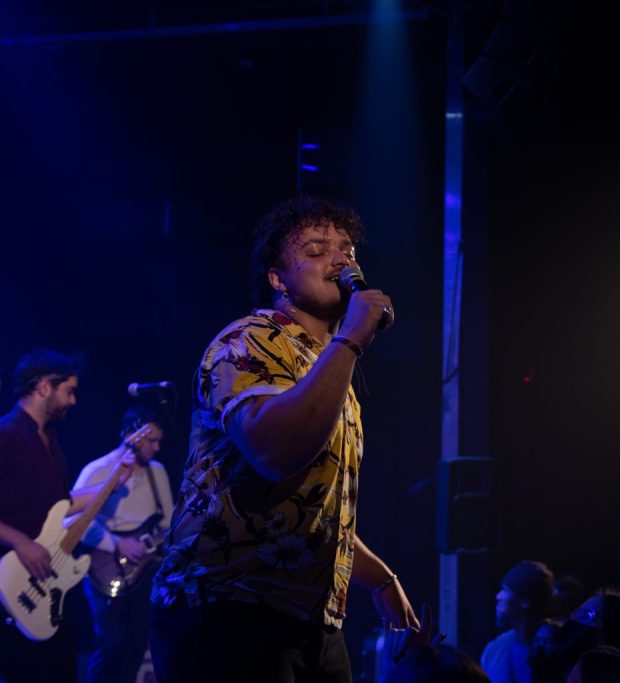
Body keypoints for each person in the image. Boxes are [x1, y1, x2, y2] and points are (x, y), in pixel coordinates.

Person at [149, 195, 418, 683]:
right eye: (316, 250)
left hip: (311, 619)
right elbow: (274, 452)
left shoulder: (328, 367)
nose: (339, 260)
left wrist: (381, 579)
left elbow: (309, 510)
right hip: (230, 608)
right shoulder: (249, 339)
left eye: (347, 250)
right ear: (278, 279)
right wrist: (350, 340)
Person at [0, 349, 132, 683]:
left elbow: (60, 504)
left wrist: (112, 482)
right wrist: (21, 542)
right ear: (44, 386)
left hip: (49, 584)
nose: (73, 400)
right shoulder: (7, 436)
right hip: (13, 581)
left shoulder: (51, 443)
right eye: (69, 391)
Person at [67, 406, 175, 683]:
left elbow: (168, 523)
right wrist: (115, 542)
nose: (157, 447)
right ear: (131, 435)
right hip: (103, 565)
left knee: (137, 643)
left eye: (159, 441)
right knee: (111, 643)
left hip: (146, 569)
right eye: (151, 440)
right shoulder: (98, 469)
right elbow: (70, 522)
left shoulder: (157, 472)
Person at [481, 559, 556, 683]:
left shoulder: (558, 648)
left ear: (525, 601)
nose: (498, 596)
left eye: (505, 590)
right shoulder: (494, 649)